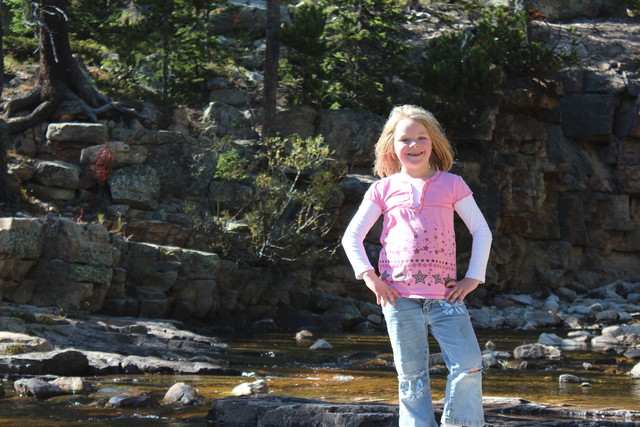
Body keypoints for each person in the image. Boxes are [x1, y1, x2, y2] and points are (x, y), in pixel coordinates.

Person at [341, 105, 492, 427]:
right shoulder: (382, 189)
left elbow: (481, 230)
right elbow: (351, 236)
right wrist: (371, 278)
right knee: (411, 375)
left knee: (468, 365)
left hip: (445, 297)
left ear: (434, 143)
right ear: (391, 147)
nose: (413, 145)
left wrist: (473, 278)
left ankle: (460, 423)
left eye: (421, 137)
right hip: (397, 298)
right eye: (405, 139)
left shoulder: (452, 184)